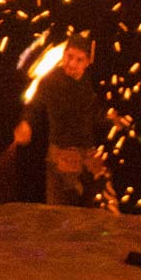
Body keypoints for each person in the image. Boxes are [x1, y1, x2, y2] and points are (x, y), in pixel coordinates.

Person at [13, 35, 131, 209]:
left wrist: (111, 119)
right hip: (60, 166)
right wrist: (26, 124)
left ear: (87, 62)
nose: (72, 63)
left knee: (98, 218)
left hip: (90, 164)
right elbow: (35, 107)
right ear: (63, 55)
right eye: (69, 56)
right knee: (60, 219)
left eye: (79, 59)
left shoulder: (89, 83)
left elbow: (95, 113)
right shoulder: (50, 82)